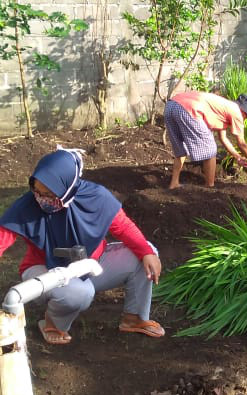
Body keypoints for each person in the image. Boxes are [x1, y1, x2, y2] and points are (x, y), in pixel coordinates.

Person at [0, 147, 164, 344]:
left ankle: (134, 318)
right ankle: (52, 322)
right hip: (45, 269)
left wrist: (146, 252)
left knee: (146, 253)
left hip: (91, 263)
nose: (42, 199)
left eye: (50, 194)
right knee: (78, 292)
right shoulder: (26, 207)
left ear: (68, 188)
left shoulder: (96, 198)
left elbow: (123, 227)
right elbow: (3, 238)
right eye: (37, 191)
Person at [164, 90, 247, 188]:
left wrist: (237, 157)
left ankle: (174, 184)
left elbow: (223, 138)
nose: (245, 119)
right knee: (211, 150)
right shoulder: (236, 113)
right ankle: (210, 187)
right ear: (244, 111)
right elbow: (241, 143)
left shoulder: (224, 108)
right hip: (189, 109)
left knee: (182, 147)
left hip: (171, 106)